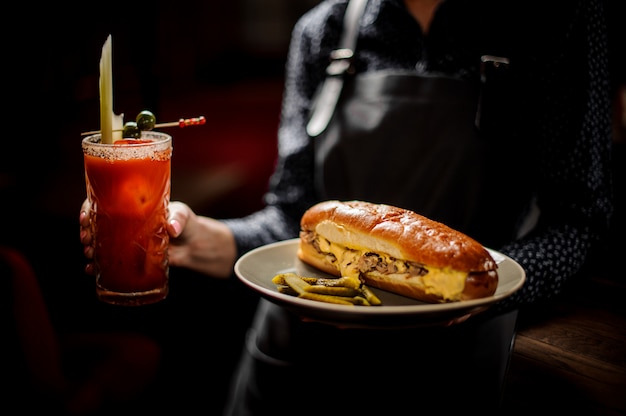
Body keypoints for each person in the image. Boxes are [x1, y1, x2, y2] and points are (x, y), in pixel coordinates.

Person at [79, 0, 614, 414]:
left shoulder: (559, 18)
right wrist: (201, 238)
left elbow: (581, 219)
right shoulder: (323, 29)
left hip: (454, 360)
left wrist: (490, 289)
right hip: (298, 359)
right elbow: (291, 221)